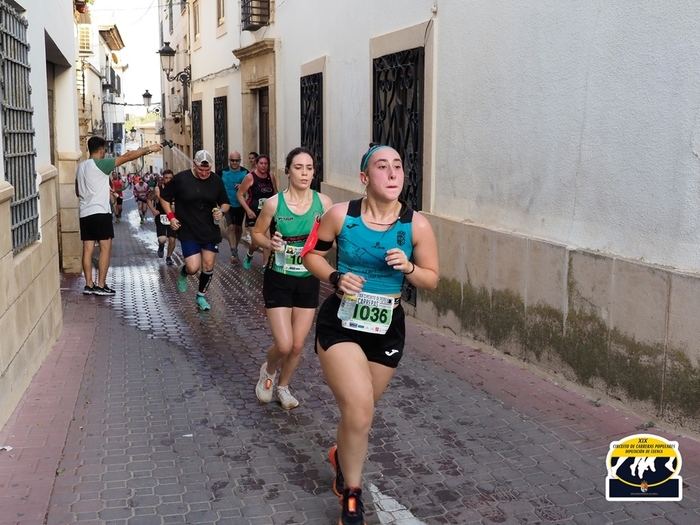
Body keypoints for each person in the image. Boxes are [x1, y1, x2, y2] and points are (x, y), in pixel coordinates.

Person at [303, 144, 439, 525]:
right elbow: (311, 254)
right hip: (342, 321)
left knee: (358, 414)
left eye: (398, 165)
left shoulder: (416, 225)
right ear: (365, 178)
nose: (393, 173)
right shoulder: (340, 216)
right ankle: (352, 494)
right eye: (383, 166)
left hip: (387, 326)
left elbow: (431, 278)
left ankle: (338, 455)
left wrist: (409, 267)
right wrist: (334, 276)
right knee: (360, 407)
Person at [252, 147, 332, 410]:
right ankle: (269, 370)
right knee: (284, 344)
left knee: (297, 345)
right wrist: (270, 243)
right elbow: (256, 234)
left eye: (309, 168)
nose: (305, 173)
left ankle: (283, 387)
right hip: (279, 277)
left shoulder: (324, 203)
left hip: (308, 279)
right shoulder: (275, 203)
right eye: (299, 167)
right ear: (287, 171)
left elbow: (332, 238)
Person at [76, 136, 161, 295]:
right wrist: (149, 149)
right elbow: (127, 157)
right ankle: (101, 285)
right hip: (100, 212)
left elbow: (77, 192)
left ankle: (89, 284)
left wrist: (102, 190)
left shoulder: (81, 167)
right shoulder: (102, 163)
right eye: (104, 150)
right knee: (105, 248)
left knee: (87, 249)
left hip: (85, 213)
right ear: (101, 150)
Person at [159, 150, 230, 311]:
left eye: (207, 170)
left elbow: (225, 203)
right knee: (193, 267)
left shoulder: (216, 181)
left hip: (210, 230)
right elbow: (164, 198)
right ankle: (184, 272)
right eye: (200, 169)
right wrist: (171, 217)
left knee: (209, 264)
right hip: (188, 229)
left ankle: (201, 296)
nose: (204, 173)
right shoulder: (181, 179)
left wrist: (221, 211)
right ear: (194, 164)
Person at [237, 154, 276, 270]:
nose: (263, 166)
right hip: (253, 212)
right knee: (256, 242)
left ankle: (265, 267)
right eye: (261, 163)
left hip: (267, 214)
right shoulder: (250, 177)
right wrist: (248, 210)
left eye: (266, 163)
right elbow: (239, 195)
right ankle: (249, 254)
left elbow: (275, 193)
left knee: (267, 240)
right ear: (256, 164)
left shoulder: (271, 176)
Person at [221, 150, 248, 263]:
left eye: (237, 160)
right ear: (229, 161)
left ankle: (235, 248)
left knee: (238, 228)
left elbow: (251, 187)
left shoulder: (245, 172)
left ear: (240, 161)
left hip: (240, 205)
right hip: (227, 204)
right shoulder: (222, 172)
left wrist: (243, 186)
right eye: (232, 160)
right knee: (231, 227)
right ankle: (233, 251)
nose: (234, 163)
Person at [149, 169, 177, 265]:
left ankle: (168, 257)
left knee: (172, 240)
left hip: (173, 217)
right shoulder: (158, 189)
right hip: (161, 216)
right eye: (166, 178)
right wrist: (153, 210)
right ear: (163, 178)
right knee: (162, 239)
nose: (168, 180)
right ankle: (161, 246)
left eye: (170, 178)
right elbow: (148, 199)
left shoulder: (177, 190)